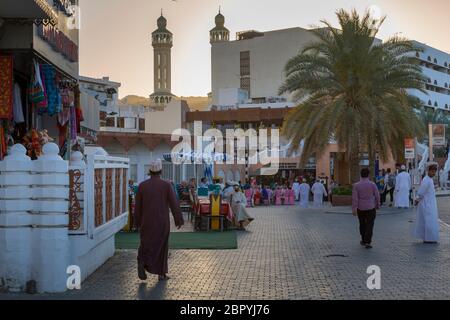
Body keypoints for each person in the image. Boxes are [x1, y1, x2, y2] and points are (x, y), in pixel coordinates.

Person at [134, 159, 184, 281]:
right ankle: (161, 274)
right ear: (160, 171)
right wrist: (178, 219)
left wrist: (137, 222)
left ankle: (142, 261)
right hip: (162, 222)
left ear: (150, 171)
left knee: (145, 243)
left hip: (147, 222)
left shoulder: (142, 186)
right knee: (162, 247)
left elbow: (138, 207)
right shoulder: (166, 185)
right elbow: (173, 203)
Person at [352, 168, 380, 249]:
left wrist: (354, 209)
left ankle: (363, 240)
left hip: (360, 208)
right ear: (368, 175)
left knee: (362, 223)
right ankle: (368, 241)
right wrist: (377, 205)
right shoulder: (372, 184)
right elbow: (377, 196)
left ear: (361, 175)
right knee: (370, 224)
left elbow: (355, 198)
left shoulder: (356, 185)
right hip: (371, 207)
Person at [413, 163, 440, 244]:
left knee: (431, 220)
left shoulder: (430, 179)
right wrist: (417, 200)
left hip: (431, 203)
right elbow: (421, 192)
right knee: (428, 221)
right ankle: (428, 238)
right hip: (426, 204)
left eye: (434, 172)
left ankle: (431, 238)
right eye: (432, 171)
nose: (433, 173)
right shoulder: (426, 179)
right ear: (428, 171)